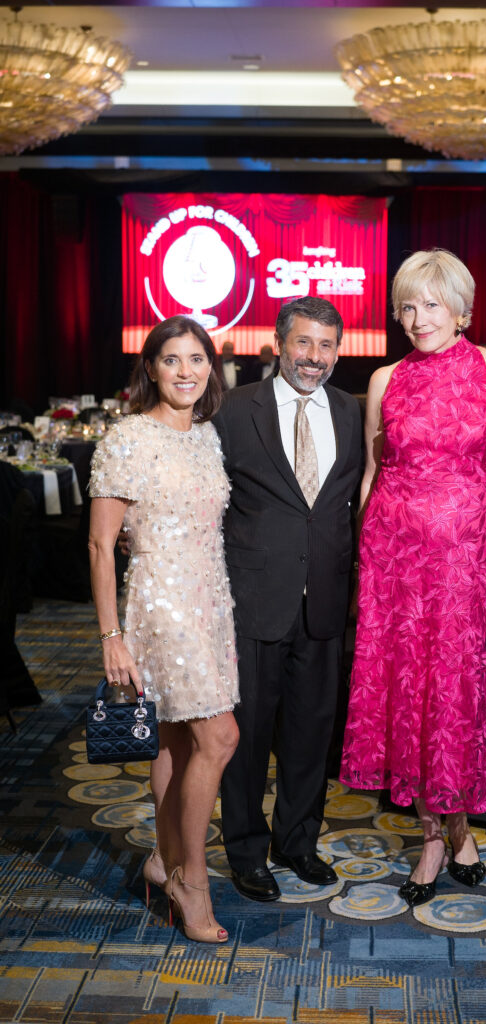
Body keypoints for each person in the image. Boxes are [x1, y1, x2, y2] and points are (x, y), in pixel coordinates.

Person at [340, 249, 486, 908]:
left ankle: (461, 822)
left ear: (461, 307)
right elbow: (370, 471)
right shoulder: (386, 379)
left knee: (456, 691)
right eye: (407, 307)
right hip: (395, 558)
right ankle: (434, 837)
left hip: (464, 562)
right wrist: (363, 560)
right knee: (406, 693)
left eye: (431, 305)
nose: (418, 319)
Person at [88, 315, 240, 944]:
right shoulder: (125, 439)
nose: (186, 372)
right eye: (172, 360)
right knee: (220, 738)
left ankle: (163, 857)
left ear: (212, 368)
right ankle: (192, 879)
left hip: (211, 602)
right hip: (159, 603)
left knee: (178, 743)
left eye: (197, 360)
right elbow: (100, 547)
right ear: (150, 367)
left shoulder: (206, 435)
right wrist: (110, 636)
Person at [216, 296, 363, 902]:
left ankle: (297, 842)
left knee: (311, 733)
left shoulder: (352, 412)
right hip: (253, 599)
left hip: (325, 600)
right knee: (247, 737)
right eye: (304, 343)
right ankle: (247, 850)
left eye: (328, 346)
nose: (315, 358)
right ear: (279, 344)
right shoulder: (232, 409)